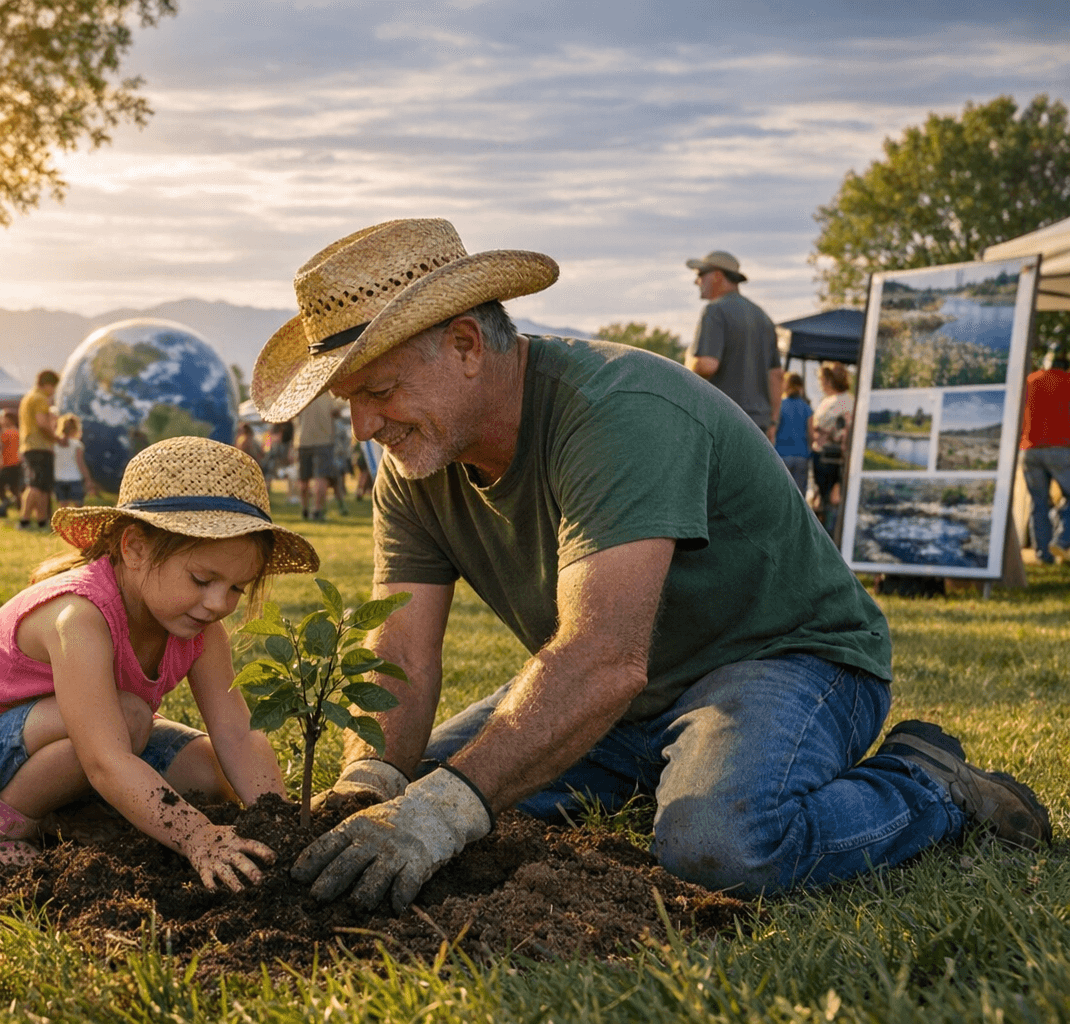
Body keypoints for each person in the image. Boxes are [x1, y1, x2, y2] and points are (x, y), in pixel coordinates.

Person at [248, 217, 1051, 914]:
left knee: (722, 848)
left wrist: (443, 814)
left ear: (464, 345)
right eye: (347, 400)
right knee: (417, 783)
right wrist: (372, 780)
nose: (360, 427)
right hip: (631, 694)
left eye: (378, 390)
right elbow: (401, 652)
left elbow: (602, 661)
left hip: (785, 659)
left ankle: (927, 787)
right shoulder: (415, 466)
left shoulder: (617, 413)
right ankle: (665, 769)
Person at [0, 437, 320, 882]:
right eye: (202, 579)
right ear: (135, 549)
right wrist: (196, 836)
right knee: (127, 718)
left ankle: (62, 817)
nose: (219, 603)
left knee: (208, 771)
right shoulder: (80, 617)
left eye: (237, 588)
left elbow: (237, 734)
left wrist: (279, 825)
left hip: (64, 742)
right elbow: (105, 758)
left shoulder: (200, 627)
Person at [684, 250, 782, 438]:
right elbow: (776, 376)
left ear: (718, 276)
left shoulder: (714, 311)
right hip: (758, 426)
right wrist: (772, 423)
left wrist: (689, 358)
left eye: (700, 274)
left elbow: (706, 365)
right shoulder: (763, 317)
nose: (697, 281)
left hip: (723, 422)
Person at [1019, 349, 1070, 564]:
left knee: (1038, 502)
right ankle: (1062, 539)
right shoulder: (1067, 381)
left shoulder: (1030, 381)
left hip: (1030, 450)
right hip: (1060, 449)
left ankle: (1043, 556)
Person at [811, 362, 855, 530]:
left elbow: (828, 427)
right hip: (832, 456)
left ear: (829, 381)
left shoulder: (836, 402)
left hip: (828, 457)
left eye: (821, 379)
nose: (820, 384)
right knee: (830, 499)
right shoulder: (847, 400)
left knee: (829, 499)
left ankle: (827, 534)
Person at [18, 370, 59, 530]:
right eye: (53, 387)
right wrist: (55, 438)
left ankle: (42, 520)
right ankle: (24, 520)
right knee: (36, 485)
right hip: (39, 446)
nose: (53, 391)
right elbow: (42, 423)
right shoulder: (40, 399)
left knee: (43, 486)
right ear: (48, 385)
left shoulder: (27, 398)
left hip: (28, 445)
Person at [294, 393, 341, 521]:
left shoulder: (302, 395)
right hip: (324, 441)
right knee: (321, 478)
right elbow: (337, 413)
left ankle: (304, 509)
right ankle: (317, 510)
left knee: (304, 478)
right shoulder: (328, 396)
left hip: (303, 440)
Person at [774, 372, 815, 499]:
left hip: (781, 454)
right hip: (801, 455)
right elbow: (811, 434)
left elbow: (773, 429)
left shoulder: (780, 405)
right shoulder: (806, 407)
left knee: (780, 495)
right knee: (799, 497)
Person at [52, 413, 92, 509]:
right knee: (77, 510)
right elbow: (80, 464)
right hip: (75, 479)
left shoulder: (54, 444)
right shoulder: (77, 445)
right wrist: (88, 479)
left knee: (63, 509)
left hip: (59, 479)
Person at [0, 410, 25, 519]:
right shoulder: (18, 431)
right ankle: (22, 510)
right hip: (17, 463)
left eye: (3, 417)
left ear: (9, 419)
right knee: (14, 489)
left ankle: (6, 502)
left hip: (10, 464)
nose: (1, 419)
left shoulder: (7, 433)